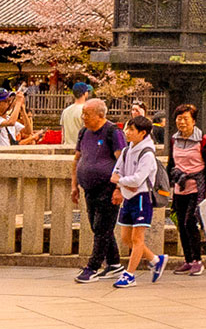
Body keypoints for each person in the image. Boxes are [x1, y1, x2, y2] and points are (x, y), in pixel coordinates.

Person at [70, 98, 126, 283]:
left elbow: (122, 161)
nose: (83, 117)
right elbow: (77, 159)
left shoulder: (113, 132)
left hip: (107, 188)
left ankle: (92, 267)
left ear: (100, 115)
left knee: (102, 228)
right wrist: (74, 185)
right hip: (89, 188)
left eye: (87, 114)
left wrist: (119, 188)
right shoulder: (84, 132)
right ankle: (114, 263)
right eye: (83, 114)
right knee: (97, 226)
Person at [109, 114, 166, 287]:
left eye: (131, 129)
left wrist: (120, 181)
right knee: (126, 238)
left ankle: (130, 274)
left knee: (137, 238)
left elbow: (138, 179)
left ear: (142, 133)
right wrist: (122, 183)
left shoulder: (147, 153)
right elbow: (116, 171)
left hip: (142, 197)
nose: (127, 132)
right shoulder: (127, 150)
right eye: (127, 128)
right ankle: (155, 260)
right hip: (128, 196)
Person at [163, 104, 206, 276]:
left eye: (186, 119)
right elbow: (171, 163)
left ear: (193, 121)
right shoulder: (174, 139)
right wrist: (167, 184)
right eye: (179, 119)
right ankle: (187, 259)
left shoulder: (203, 140)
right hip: (179, 185)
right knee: (180, 224)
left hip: (196, 186)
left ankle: (197, 260)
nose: (182, 122)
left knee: (190, 222)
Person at [60, 81, 93, 149]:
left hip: (67, 146)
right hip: (82, 148)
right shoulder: (87, 110)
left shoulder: (66, 111)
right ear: (85, 93)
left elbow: (63, 133)